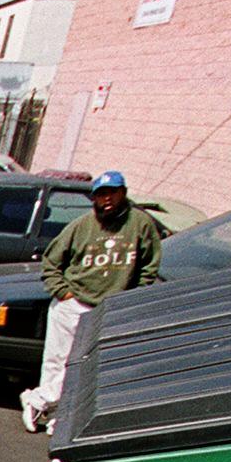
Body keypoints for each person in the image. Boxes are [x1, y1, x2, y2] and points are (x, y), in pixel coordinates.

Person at [20, 170, 164, 434]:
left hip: (109, 307)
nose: (107, 199)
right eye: (101, 194)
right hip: (73, 302)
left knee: (86, 366)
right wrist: (63, 292)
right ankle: (50, 411)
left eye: (112, 192)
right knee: (58, 361)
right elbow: (51, 262)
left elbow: (149, 266)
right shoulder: (82, 225)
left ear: (123, 193)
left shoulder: (140, 224)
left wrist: (130, 298)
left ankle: (40, 401)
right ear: (94, 198)